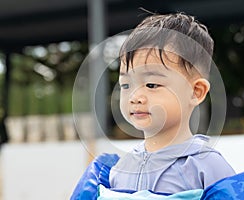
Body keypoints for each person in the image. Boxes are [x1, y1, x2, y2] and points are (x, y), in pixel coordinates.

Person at [71, 12, 235, 199]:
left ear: (196, 91)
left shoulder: (206, 166)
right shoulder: (120, 170)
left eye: (151, 85)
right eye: (126, 85)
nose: (135, 97)